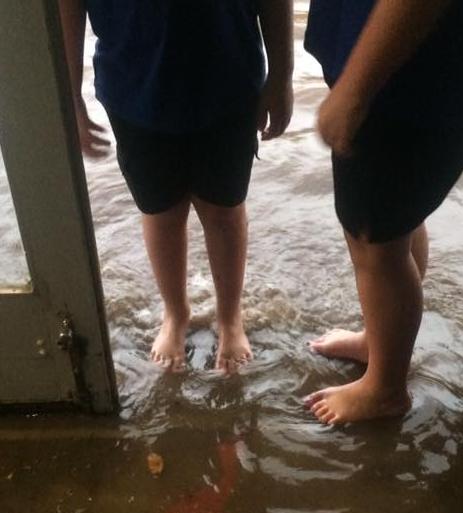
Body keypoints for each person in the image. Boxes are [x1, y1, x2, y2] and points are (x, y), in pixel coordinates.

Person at [303, 0, 463, 424]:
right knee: (396, 223)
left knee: (374, 242)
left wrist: (354, 90)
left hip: (405, 78)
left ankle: (385, 388)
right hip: (436, 70)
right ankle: (380, 343)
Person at [59, 0, 293, 373]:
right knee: (160, 208)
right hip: (134, 85)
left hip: (228, 76)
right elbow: (67, 8)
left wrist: (282, 75)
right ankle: (175, 312)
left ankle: (230, 317)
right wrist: (69, 96)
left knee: (224, 208)